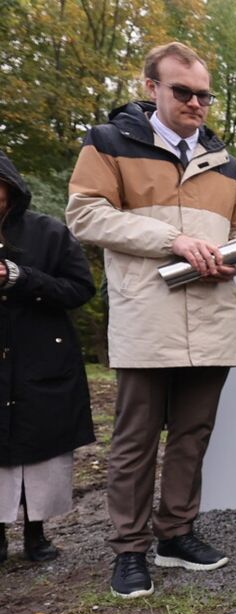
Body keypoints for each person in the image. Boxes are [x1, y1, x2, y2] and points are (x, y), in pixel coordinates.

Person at [66, 42, 236, 598]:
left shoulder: (227, 162)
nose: (196, 103)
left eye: (204, 94)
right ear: (151, 87)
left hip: (211, 316)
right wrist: (170, 239)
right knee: (135, 439)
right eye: (184, 92)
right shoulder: (108, 143)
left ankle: (175, 534)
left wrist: (232, 260)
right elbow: (83, 213)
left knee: (193, 434)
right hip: (146, 315)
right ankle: (129, 549)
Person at [0, 152, 96, 564]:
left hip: (41, 360)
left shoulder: (49, 232)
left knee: (40, 449)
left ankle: (36, 533)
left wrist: (18, 277)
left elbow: (79, 288)